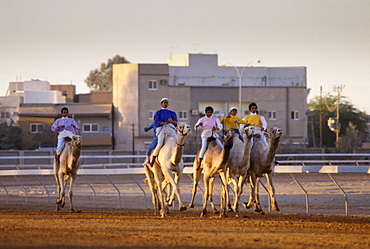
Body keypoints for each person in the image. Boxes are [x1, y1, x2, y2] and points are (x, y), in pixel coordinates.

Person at [149, 98, 178, 167]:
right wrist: (164, 122)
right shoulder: (158, 113)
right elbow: (156, 122)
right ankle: (153, 159)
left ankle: (178, 159)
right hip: (162, 129)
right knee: (160, 144)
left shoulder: (172, 113)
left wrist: (170, 122)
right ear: (161, 104)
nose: (166, 104)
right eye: (164, 102)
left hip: (170, 129)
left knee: (177, 142)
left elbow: (176, 122)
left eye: (167, 103)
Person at [194, 106, 223, 170]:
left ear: (212, 113)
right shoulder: (202, 119)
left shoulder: (215, 119)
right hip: (205, 135)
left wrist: (217, 128)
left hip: (214, 135)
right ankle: (200, 162)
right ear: (206, 112)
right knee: (204, 147)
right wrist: (199, 125)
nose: (209, 114)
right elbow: (196, 127)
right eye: (208, 112)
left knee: (221, 146)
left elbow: (220, 126)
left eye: (210, 112)